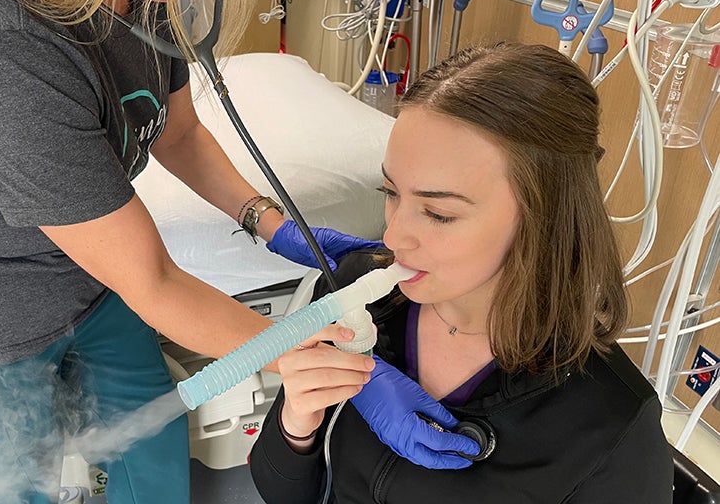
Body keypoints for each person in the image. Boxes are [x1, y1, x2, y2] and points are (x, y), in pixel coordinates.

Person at [0, 0, 378, 503]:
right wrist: (297, 347)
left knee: (152, 467)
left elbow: (177, 133)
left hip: (90, 290)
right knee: (20, 491)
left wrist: (268, 221)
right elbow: (154, 281)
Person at [249, 43, 674, 503]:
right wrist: (297, 427)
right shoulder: (355, 299)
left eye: (438, 213)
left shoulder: (609, 423)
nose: (393, 237)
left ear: (544, 216)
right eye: (391, 191)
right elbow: (283, 492)